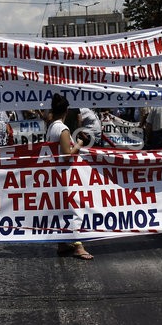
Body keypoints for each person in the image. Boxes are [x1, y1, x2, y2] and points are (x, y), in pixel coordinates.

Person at [46, 93, 94, 260]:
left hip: (55, 174)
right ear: (66, 111)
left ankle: (61, 243)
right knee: (73, 208)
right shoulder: (63, 129)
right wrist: (80, 144)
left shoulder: (51, 127)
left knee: (61, 208)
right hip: (64, 175)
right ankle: (78, 247)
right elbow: (67, 154)